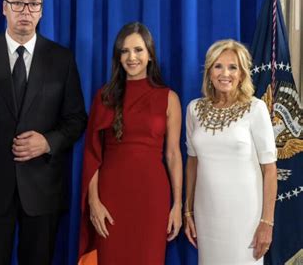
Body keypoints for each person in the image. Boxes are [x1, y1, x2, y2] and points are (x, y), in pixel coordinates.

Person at [0, 0, 87, 265]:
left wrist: (48, 142)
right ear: (4, 8)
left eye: (33, 5)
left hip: (42, 191)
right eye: (18, 4)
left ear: (42, 11)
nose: (25, 11)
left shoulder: (61, 59)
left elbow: (76, 118)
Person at [78, 22, 183, 264]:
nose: (131, 57)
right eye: (124, 51)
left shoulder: (169, 98)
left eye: (138, 50)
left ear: (150, 56)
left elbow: (174, 156)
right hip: (111, 197)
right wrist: (94, 202)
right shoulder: (105, 96)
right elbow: (92, 153)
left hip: (152, 198)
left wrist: (177, 205)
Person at [184, 39, 278, 264]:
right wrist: (187, 211)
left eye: (233, 67)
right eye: (218, 66)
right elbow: (192, 163)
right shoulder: (194, 109)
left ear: (242, 73)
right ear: (209, 71)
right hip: (207, 215)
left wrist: (267, 222)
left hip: (246, 218)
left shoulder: (256, 108)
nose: (225, 73)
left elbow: (270, 170)